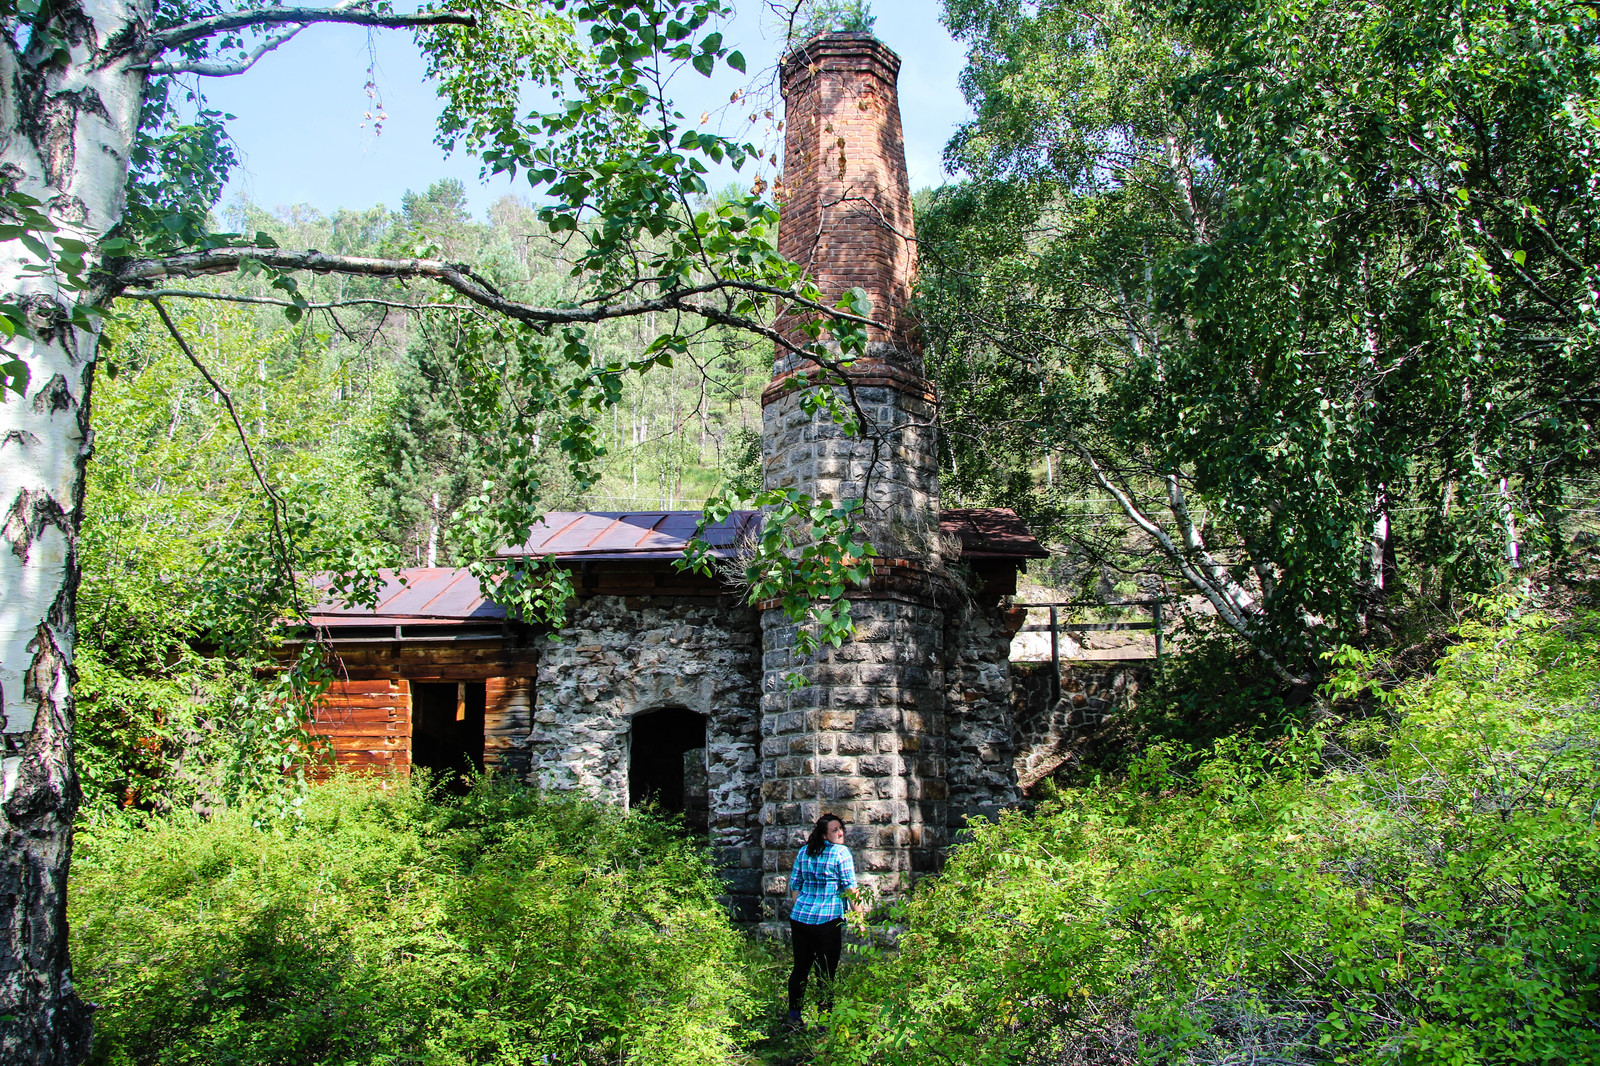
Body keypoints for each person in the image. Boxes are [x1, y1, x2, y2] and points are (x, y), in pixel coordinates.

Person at [786, 812, 857, 1030]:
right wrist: (860, 918)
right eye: (835, 830)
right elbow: (850, 888)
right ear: (825, 834)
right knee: (825, 972)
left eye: (841, 828)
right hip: (827, 921)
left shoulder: (804, 851)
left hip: (801, 919)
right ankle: (824, 1021)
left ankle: (794, 1017)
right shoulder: (841, 853)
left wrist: (803, 906)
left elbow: (795, 885)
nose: (840, 832)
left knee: (800, 968)